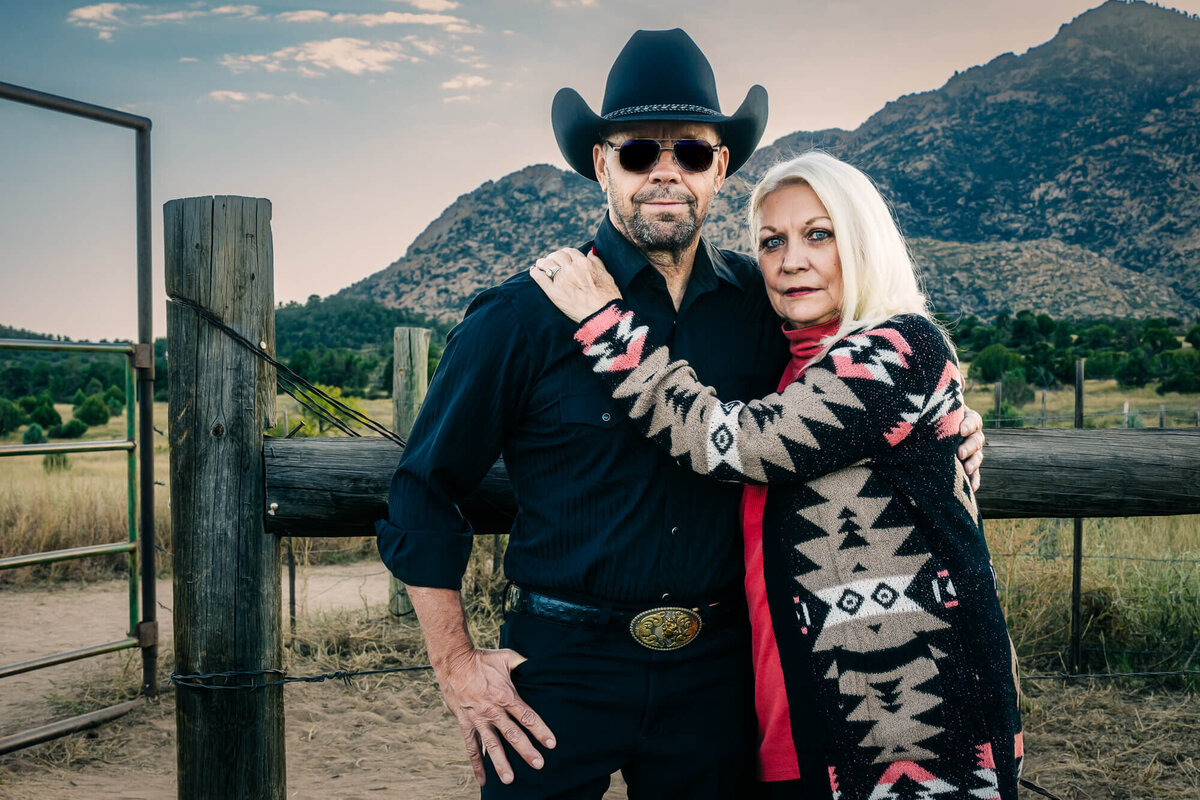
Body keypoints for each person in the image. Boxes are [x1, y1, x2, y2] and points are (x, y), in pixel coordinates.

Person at [377, 29, 986, 800]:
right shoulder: (523, 315)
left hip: (718, 675)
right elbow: (424, 487)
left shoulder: (764, 313)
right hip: (561, 668)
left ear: (720, 167)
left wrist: (953, 433)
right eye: (638, 152)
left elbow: (855, 394)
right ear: (601, 164)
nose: (665, 171)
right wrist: (457, 668)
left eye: (691, 153)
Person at [529, 150, 1022, 799]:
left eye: (819, 234)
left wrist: (607, 327)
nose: (792, 259)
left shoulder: (902, 348)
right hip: (801, 721)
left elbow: (733, 441)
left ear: (861, 239)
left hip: (912, 726)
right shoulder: (791, 371)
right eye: (772, 241)